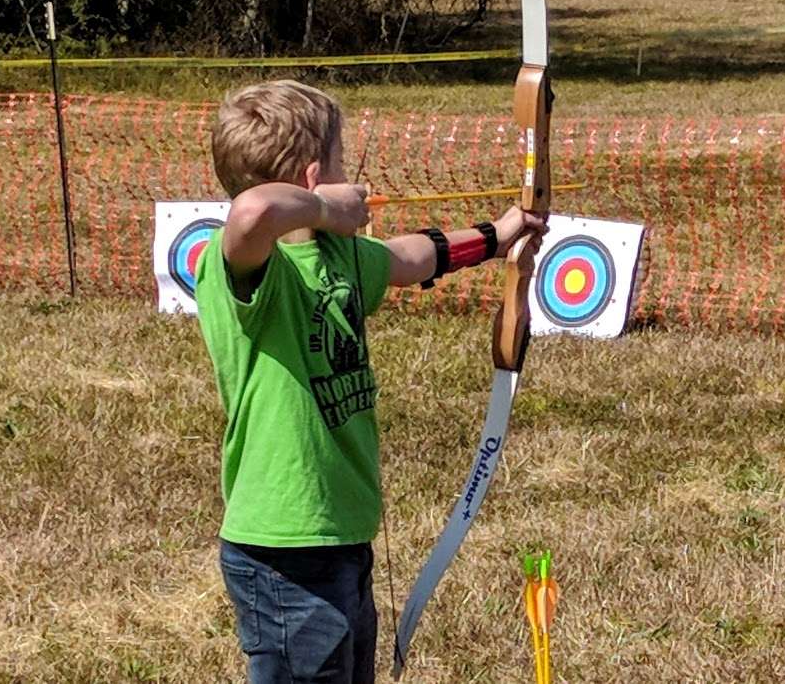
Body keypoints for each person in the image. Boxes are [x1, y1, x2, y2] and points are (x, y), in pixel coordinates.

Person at [194, 80, 547, 684]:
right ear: (312, 177)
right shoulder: (245, 270)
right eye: (340, 162)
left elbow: (412, 257)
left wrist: (499, 234)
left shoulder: (343, 258)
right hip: (283, 547)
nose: (354, 180)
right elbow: (253, 214)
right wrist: (329, 208)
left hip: (342, 532)